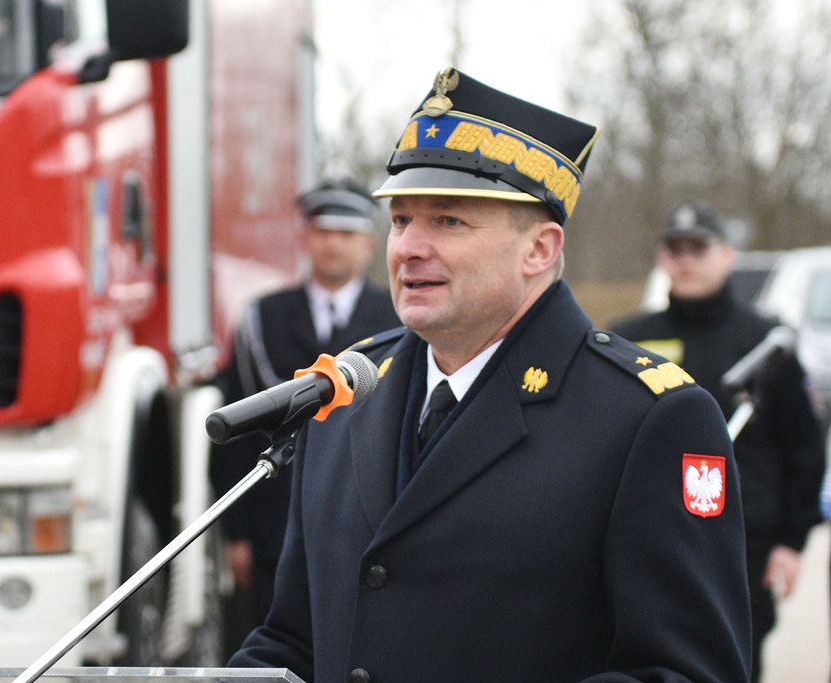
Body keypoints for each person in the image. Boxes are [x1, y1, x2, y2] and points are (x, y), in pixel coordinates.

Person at [226, 67, 752, 683]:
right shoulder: (344, 393)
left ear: (540, 250)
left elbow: (686, 671)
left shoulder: (647, 417)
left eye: (448, 221)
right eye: (400, 220)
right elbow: (294, 640)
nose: (409, 248)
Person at [610, 201, 825, 683]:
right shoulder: (628, 342)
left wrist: (792, 541)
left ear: (727, 255)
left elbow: (805, 450)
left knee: (733, 667)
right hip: (647, 543)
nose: (685, 259)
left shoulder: (767, 344)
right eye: (674, 248)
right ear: (662, 257)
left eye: (698, 248)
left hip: (743, 547)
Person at [211, 179, 400, 654]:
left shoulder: (400, 317)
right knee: (282, 641)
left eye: (347, 233)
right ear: (304, 238)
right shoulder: (261, 318)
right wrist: (238, 533)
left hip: (373, 514)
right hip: (277, 522)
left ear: (369, 244)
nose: (333, 244)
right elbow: (238, 428)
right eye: (323, 231)